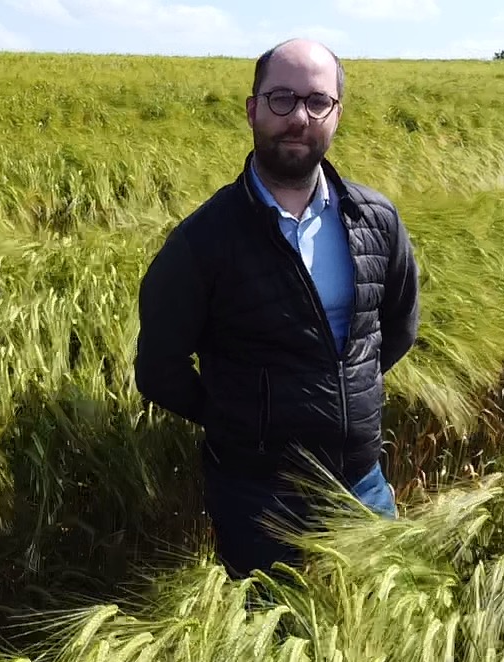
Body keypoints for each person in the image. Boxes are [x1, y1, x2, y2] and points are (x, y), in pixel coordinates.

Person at [133, 38, 421, 578]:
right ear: (252, 109)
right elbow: (158, 371)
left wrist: (342, 392)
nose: (299, 118)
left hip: (362, 480)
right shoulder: (203, 242)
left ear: (337, 113)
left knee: (385, 636)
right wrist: (244, 419)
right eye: (282, 99)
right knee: (276, 643)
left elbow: (397, 329)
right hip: (258, 494)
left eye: (318, 102)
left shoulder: (377, 221)